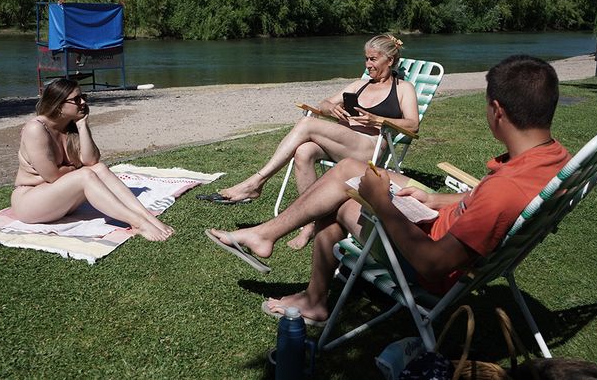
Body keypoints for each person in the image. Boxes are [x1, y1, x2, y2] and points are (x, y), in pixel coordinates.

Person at [207, 55, 570, 324]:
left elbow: (432, 264)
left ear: (497, 111)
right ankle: (267, 240)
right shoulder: (552, 161)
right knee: (350, 170)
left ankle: (307, 291)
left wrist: (382, 203)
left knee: (342, 197)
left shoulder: (503, 190)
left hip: (427, 258)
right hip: (439, 219)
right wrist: (434, 197)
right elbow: (485, 200)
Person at [200, 34, 420, 250]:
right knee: (304, 151)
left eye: (373, 59)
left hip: (369, 147)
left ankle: (255, 184)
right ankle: (309, 223)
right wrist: (330, 108)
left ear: (389, 60)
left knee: (306, 125)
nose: (367, 64)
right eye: (366, 58)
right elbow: (323, 103)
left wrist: (378, 119)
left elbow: (413, 125)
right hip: (344, 143)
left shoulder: (403, 88)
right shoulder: (359, 85)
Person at [11, 78, 174, 242]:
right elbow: (52, 176)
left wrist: (82, 125)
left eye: (83, 97)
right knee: (85, 175)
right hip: (30, 201)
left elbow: (91, 161)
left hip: (57, 199)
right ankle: (137, 223)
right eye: (76, 99)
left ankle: (147, 217)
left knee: (99, 169)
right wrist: (77, 169)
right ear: (58, 104)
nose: (82, 102)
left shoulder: (70, 125)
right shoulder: (36, 129)